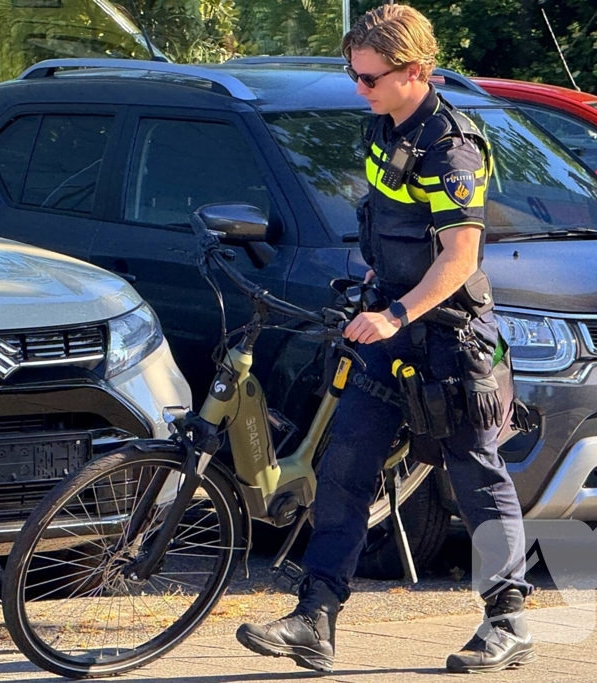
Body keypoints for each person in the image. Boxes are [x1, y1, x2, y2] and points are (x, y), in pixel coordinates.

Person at [236, 4, 535, 675]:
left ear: (416, 72)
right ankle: (315, 618)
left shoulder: (451, 148)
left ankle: (508, 620)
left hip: (450, 340)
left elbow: (459, 256)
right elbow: (397, 220)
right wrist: (378, 272)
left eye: (370, 78)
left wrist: (398, 312)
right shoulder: (384, 125)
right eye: (355, 74)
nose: (359, 88)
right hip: (391, 329)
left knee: (475, 475)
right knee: (345, 468)